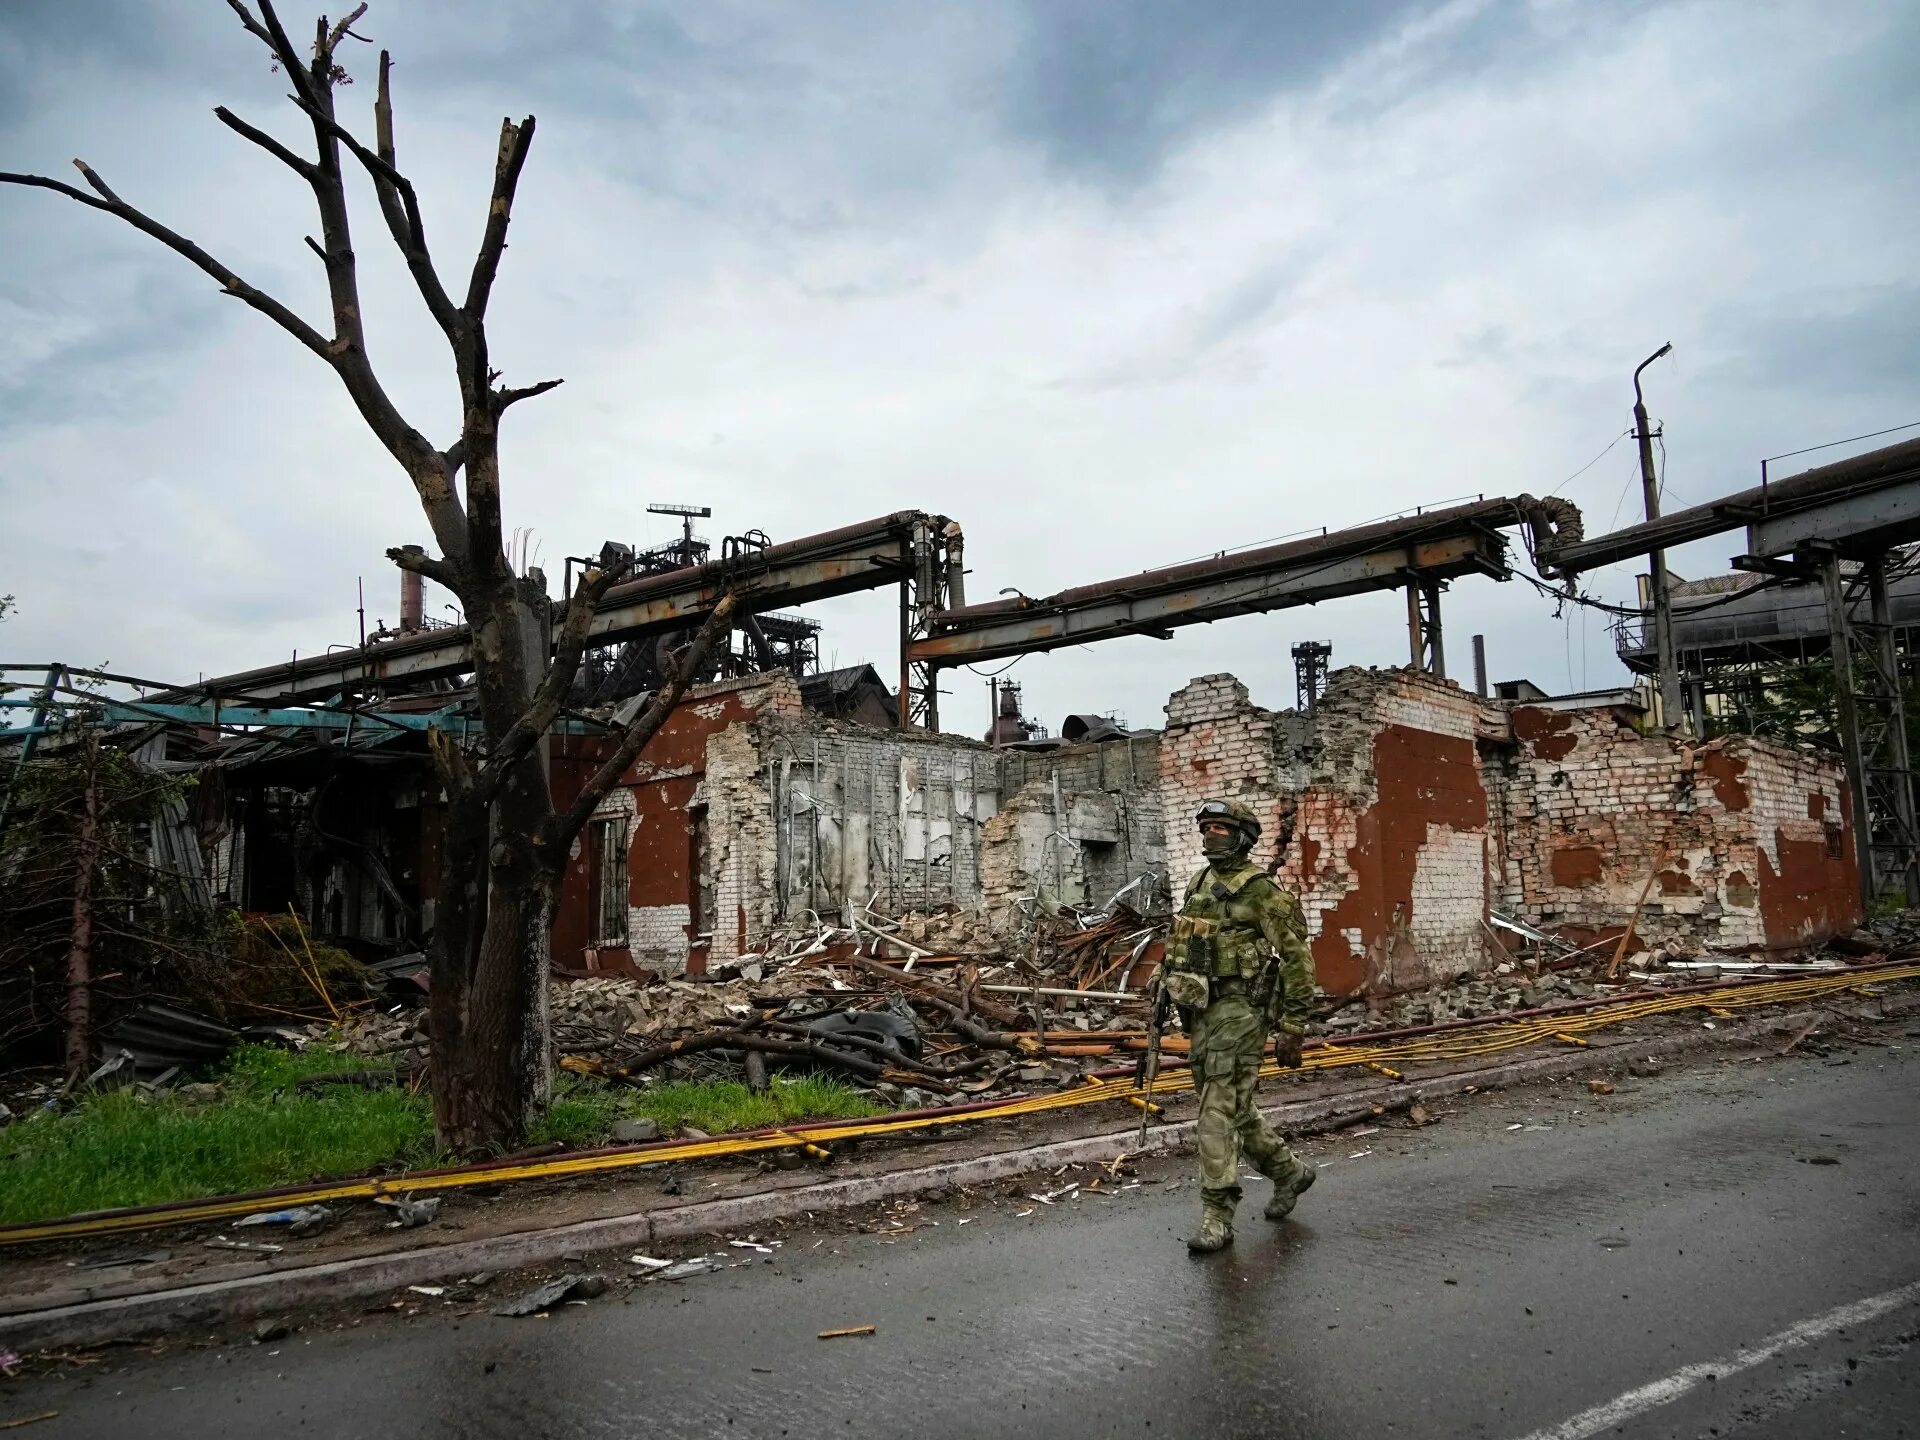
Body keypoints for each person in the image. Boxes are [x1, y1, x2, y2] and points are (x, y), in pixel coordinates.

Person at [1162, 798, 1317, 1254]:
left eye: (1221, 829)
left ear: (1243, 838)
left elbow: (1297, 960)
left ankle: (1217, 1215)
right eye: (1205, 827)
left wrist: (1294, 1025)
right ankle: (1290, 1172)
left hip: (1243, 1011)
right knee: (1231, 1105)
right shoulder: (1200, 882)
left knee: (1215, 1110)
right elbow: (1185, 941)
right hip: (1202, 1011)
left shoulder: (1262, 892)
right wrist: (1162, 980)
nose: (1211, 835)